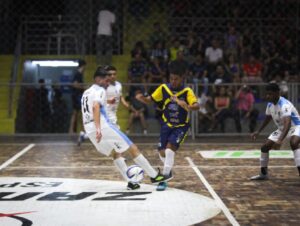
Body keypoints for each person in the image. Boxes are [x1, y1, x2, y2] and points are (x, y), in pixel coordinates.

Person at [81, 66, 169, 190]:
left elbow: (91, 106)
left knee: (115, 153)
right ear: (98, 79)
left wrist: (107, 102)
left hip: (88, 128)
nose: (108, 83)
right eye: (106, 80)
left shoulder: (87, 92)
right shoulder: (100, 90)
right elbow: (95, 107)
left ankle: (131, 182)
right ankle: (155, 176)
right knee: (133, 148)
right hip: (103, 126)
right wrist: (99, 129)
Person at [136, 65, 200, 191]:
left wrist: (186, 105)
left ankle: (164, 178)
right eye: (171, 79)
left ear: (182, 78)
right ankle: (168, 169)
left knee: (170, 149)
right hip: (166, 125)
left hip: (181, 126)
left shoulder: (187, 91)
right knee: (161, 151)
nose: (173, 81)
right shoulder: (164, 88)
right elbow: (150, 100)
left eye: (176, 79)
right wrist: (142, 98)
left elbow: (197, 106)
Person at [250, 83, 300, 180]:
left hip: (296, 126)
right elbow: (268, 118)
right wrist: (258, 131)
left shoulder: (284, 104)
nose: (268, 96)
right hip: (282, 129)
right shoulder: (270, 104)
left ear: (277, 93)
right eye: (267, 94)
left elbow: (288, 123)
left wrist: (280, 140)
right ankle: (263, 174)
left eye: (270, 94)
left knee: (294, 143)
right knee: (265, 147)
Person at [78, 65, 129, 145]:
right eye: (110, 74)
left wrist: (124, 102)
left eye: (114, 74)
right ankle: (119, 152)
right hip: (106, 112)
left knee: (107, 132)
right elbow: (99, 100)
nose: (112, 76)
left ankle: (84, 136)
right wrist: (109, 101)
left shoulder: (119, 85)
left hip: (114, 111)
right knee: (116, 132)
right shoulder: (104, 86)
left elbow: (120, 95)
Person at [69, 59, 86, 133]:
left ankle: (72, 130)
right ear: (83, 66)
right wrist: (83, 87)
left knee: (76, 113)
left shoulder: (79, 74)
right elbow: (75, 84)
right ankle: (80, 129)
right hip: (77, 96)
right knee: (79, 113)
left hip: (77, 95)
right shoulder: (78, 74)